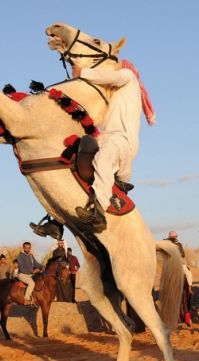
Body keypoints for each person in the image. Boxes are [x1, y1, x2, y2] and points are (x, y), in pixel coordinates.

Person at [73, 60, 155, 232]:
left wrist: (83, 72)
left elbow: (110, 76)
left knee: (102, 160)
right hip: (110, 139)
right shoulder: (120, 95)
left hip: (119, 138)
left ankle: (98, 213)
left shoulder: (128, 76)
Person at [165, 230, 193, 326]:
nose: (174, 238)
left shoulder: (178, 244)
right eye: (173, 237)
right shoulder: (166, 244)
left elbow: (182, 254)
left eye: (175, 237)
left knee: (188, 272)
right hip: (171, 264)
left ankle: (189, 287)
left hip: (179, 263)